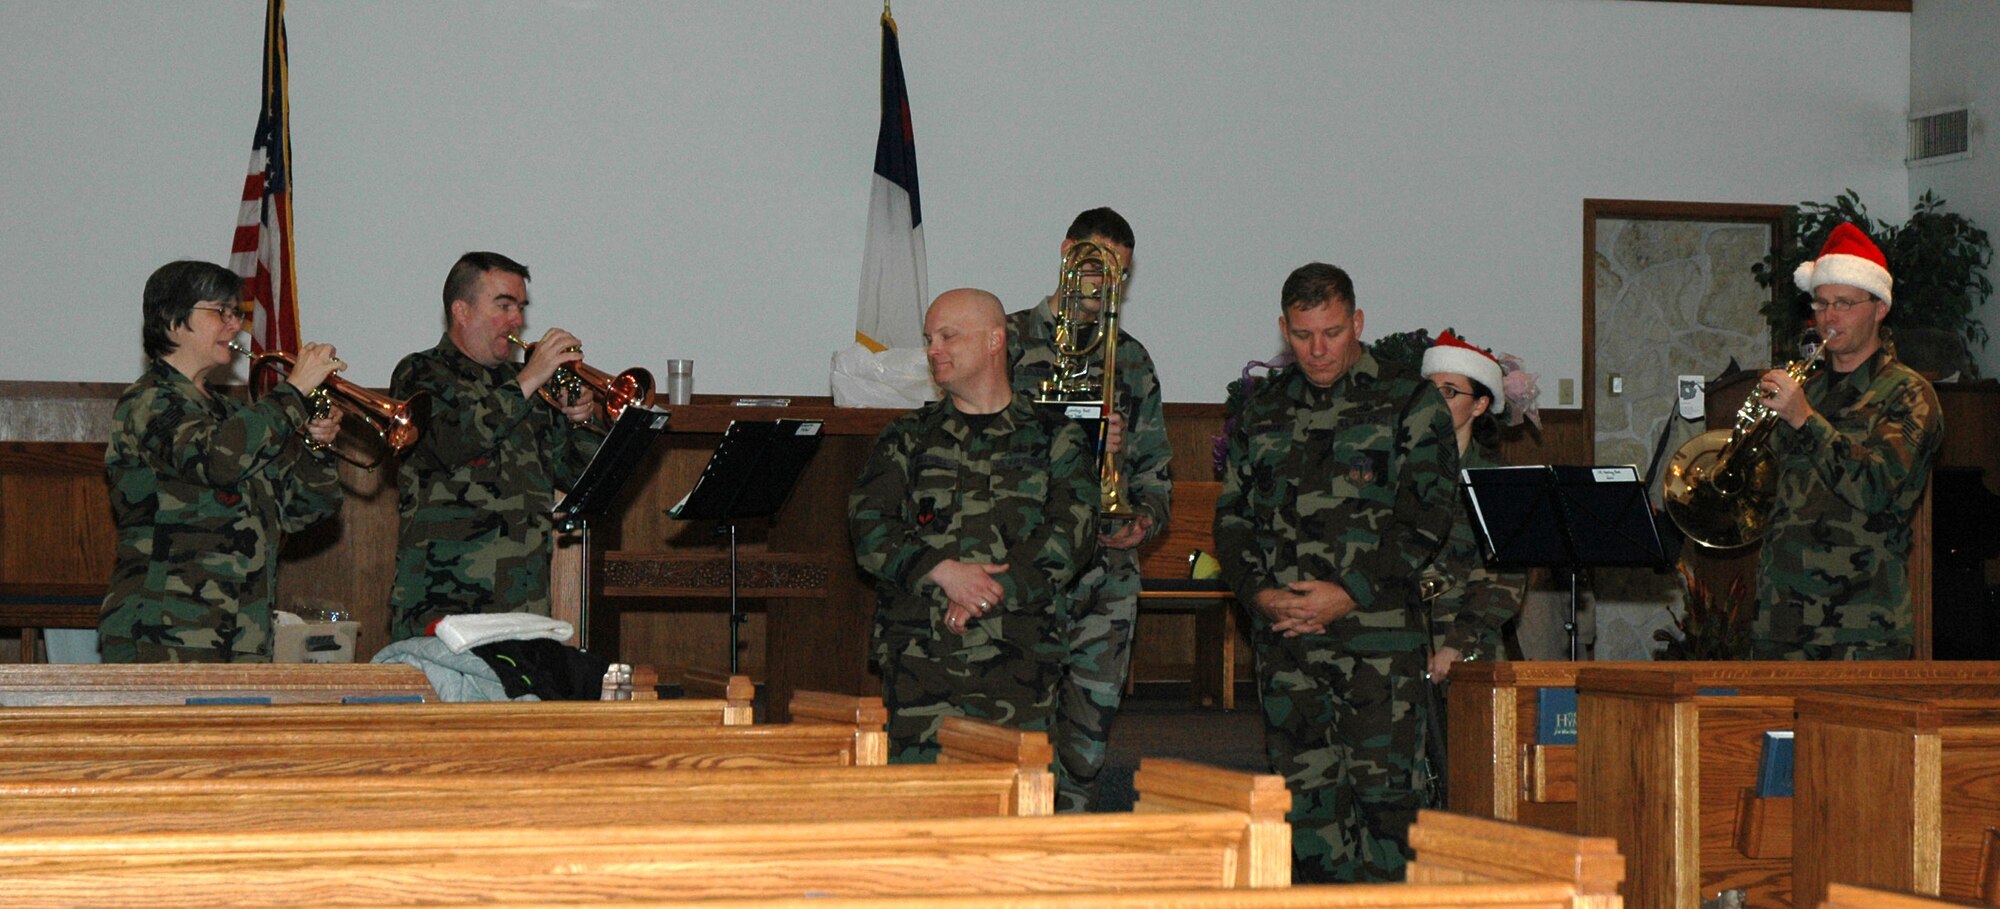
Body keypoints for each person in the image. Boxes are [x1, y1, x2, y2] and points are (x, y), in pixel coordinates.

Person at [1213, 262, 1458, 882]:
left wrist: (1349, 592)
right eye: (1301, 335)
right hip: (1289, 645)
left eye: (1331, 332)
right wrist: (1259, 595)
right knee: (1306, 817)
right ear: (1283, 329)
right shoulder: (1262, 411)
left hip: (1377, 645)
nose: (1317, 350)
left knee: (1390, 814)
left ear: (1357, 323)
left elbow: (1426, 517)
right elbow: (1234, 519)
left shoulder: (1409, 401)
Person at [850, 288, 1099, 762]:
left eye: (948, 336)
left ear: (994, 341)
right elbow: (868, 527)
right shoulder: (907, 437)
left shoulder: (1055, 437)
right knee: (921, 818)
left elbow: (1072, 534)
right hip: (922, 666)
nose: (933, 350)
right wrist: (943, 572)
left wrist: (986, 593)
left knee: (1012, 818)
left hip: (1019, 662)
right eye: (929, 338)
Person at [1006, 207, 1172, 812]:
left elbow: (1157, 469)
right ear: (1066, 253)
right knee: (1016, 730)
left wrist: (1144, 518)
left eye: (1119, 277)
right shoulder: (1004, 339)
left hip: (1106, 572)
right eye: (1096, 269)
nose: (1106, 288)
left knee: (1088, 737)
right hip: (1024, 566)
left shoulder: (1131, 359)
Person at [99, 260, 346, 662]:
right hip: (164, 633)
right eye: (221, 312)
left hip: (244, 635)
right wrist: (296, 390)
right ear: (173, 321)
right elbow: (217, 460)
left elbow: (304, 510)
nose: (235, 326)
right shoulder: (148, 402)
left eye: (238, 314)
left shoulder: (233, 417)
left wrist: (317, 448)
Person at [387, 251, 602, 641]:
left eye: (519, 308)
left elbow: (578, 476)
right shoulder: (419, 372)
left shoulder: (531, 390)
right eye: (503, 305)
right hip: (442, 601)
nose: (517, 320)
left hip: (524, 601)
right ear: (462, 311)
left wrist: (582, 420)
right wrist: (527, 381)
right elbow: (448, 444)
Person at [1751, 223, 1942, 660]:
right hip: (1779, 620)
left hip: (1861, 628)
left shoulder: (1908, 394)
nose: (1828, 318)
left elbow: (1875, 489)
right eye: (1820, 303)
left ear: (1879, 308)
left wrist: (1804, 419)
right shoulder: (1810, 389)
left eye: (1843, 304)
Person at [1418, 331, 1524, 678]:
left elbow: (1505, 580)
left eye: (1449, 392)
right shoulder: (1402, 471)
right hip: (1402, 644)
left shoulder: (1496, 480)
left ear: (1479, 405)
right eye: (1429, 392)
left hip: (1468, 646)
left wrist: (1457, 644)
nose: (1435, 403)